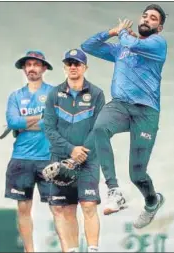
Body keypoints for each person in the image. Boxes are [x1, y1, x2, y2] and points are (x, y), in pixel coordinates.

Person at [80, 4, 168, 229]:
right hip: (120, 106)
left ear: (159, 27)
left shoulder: (158, 44)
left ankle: (152, 201)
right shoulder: (122, 48)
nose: (147, 20)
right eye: (145, 16)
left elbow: (131, 43)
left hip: (146, 112)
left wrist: (121, 34)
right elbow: (87, 46)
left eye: (153, 18)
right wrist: (111, 31)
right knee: (99, 128)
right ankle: (113, 190)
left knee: (137, 174)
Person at [44, 49, 105, 252]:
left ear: (85, 67)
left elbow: (99, 128)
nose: (73, 67)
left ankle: (93, 249)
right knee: (65, 209)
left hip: (88, 160)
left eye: (77, 63)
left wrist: (81, 153)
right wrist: (71, 150)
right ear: (64, 67)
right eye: (69, 63)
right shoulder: (54, 94)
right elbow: (49, 129)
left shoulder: (96, 94)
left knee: (88, 205)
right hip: (61, 159)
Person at [4, 50, 54, 252]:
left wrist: (25, 124)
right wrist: (40, 118)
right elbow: (12, 121)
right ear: (24, 69)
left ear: (43, 68)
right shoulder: (16, 95)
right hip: (21, 158)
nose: (32, 68)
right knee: (23, 209)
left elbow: (52, 122)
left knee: (59, 208)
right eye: (28, 65)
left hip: (48, 159)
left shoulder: (54, 92)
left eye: (36, 64)